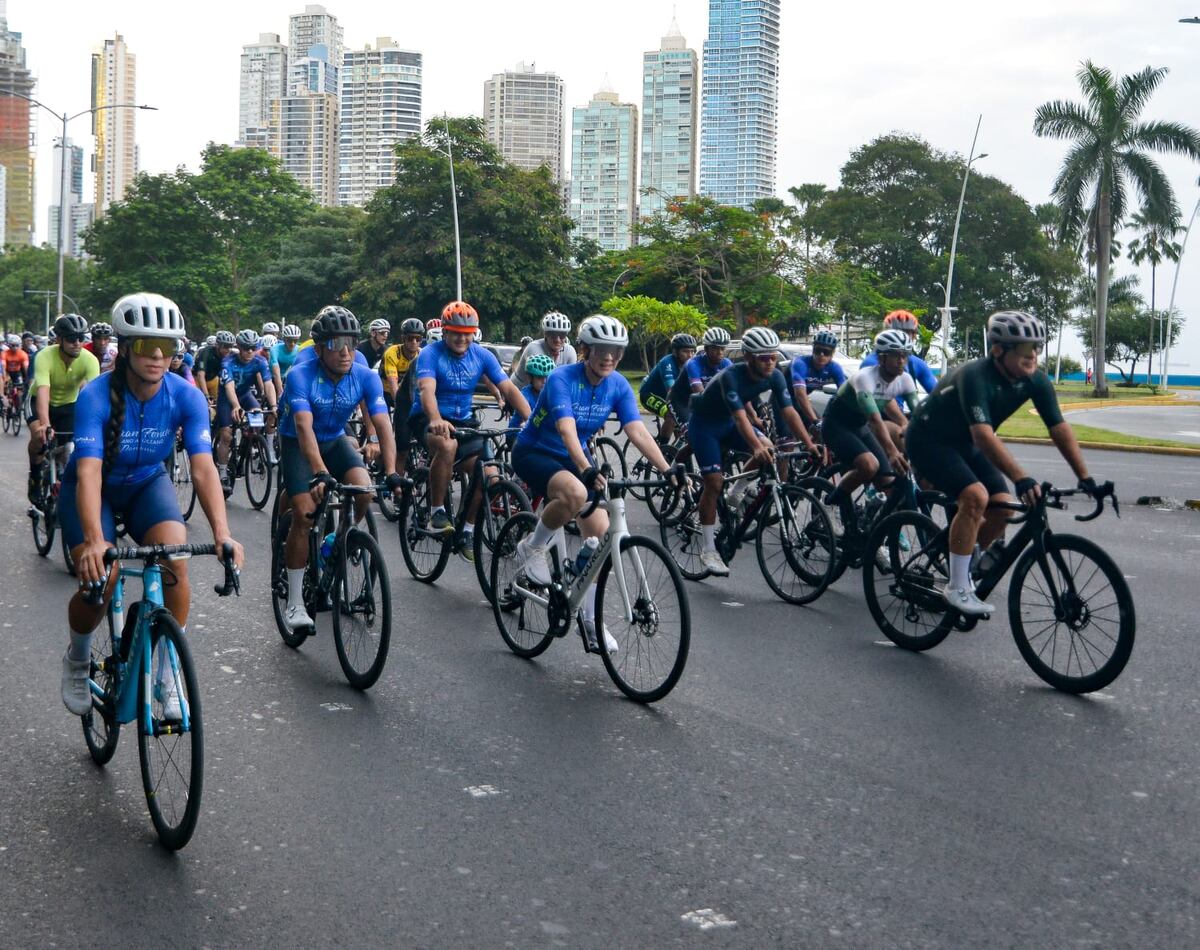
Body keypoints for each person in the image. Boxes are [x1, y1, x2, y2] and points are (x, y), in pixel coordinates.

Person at [58, 293, 243, 718]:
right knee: (102, 578)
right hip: (95, 489)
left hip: (146, 483)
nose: (158, 356)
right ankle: (78, 658)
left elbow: (203, 469)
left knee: (176, 558)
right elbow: (87, 474)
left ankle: (165, 670)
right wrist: (92, 541)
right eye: (145, 345)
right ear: (124, 348)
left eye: (169, 346)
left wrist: (222, 533)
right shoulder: (96, 396)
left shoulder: (187, 396)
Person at [906, 310, 1097, 616]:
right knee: (975, 497)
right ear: (998, 350)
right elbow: (983, 436)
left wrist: (1085, 477)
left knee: (1005, 507)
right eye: (1024, 349)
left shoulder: (1036, 381)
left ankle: (964, 559)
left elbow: (1059, 428)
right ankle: (957, 586)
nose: (1033, 355)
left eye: (1038, 347)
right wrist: (1022, 478)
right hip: (928, 439)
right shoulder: (975, 376)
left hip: (964, 443)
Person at [512, 315, 679, 652]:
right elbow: (566, 430)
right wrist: (586, 468)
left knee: (602, 535)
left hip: (574, 459)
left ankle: (589, 620)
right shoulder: (561, 378)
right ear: (585, 350)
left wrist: (668, 469)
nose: (608, 358)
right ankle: (532, 547)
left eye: (615, 352)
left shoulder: (617, 384)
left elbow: (636, 430)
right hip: (534, 452)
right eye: (601, 350)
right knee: (574, 493)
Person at [278, 307, 403, 631]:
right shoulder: (300, 375)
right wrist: (320, 472)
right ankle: (294, 602)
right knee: (305, 512)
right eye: (336, 344)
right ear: (319, 348)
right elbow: (304, 429)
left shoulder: (364, 375)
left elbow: (382, 424)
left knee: (364, 493)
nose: (346, 351)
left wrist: (391, 471)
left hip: (334, 440)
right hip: (298, 444)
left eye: (350, 342)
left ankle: (335, 539)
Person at [685, 326, 820, 576]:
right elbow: (740, 418)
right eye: (763, 358)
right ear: (748, 357)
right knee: (713, 483)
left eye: (773, 357)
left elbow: (789, 412)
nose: (770, 363)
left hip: (728, 423)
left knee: (769, 448)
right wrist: (756, 447)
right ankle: (708, 547)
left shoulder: (776, 375)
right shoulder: (730, 377)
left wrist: (810, 443)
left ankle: (735, 493)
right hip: (705, 426)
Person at [411, 300, 531, 553]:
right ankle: (436, 512)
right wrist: (435, 419)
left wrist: (529, 419)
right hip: (428, 417)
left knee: (489, 475)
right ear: (444, 331)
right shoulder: (430, 354)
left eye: (467, 334)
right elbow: (426, 390)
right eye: (455, 332)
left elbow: (508, 388)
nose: (461, 339)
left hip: (464, 421)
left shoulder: (482, 355)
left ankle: (466, 529)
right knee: (447, 445)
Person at [821, 330, 918, 536]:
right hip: (837, 424)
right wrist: (892, 452)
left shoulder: (905, 379)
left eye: (905, 355)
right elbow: (875, 420)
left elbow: (918, 415)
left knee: (889, 485)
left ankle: (872, 533)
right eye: (896, 355)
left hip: (859, 426)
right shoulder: (865, 378)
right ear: (882, 358)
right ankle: (829, 504)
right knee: (869, 465)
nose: (902, 361)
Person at [29, 314, 100, 504]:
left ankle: (62, 482)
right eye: (71, 338)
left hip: (68, 405)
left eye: (81, 338)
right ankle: (35, 476)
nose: (77, 343)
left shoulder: (90, 360)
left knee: (68, 448)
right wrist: (45, 424)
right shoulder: (45, 356)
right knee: (39, 437)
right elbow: (44, 391)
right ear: (59, 339)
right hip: (39, 400)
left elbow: (94, 398)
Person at [214, 329, 277, 491]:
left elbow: (268, 384)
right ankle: (222, 472)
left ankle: (249, 444)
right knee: (226, 435)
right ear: (239, 347)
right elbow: (229, 386)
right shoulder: (228, 362)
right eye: (246, 348)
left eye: (253, 348)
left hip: (245, 395)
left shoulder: (259, 361)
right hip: (227, 398)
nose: (250, 351)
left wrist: (274, 406)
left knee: (257, 416)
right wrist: (235, 406)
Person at [860, 310, 938, 394]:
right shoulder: (871, 363)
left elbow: (937, 393)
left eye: (908, 333)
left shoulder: (916, 363)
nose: (902, 338)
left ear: (914, 336)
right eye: (897, 333)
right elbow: (879, 398)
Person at [381, 318, 424, 470]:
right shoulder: (392, 353)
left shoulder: (422, 355)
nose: (413, 342)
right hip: (386, 393)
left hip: (410, 395)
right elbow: (393, 384)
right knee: (388, 428)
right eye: (409, 338)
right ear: (403, 338)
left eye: (418, 339)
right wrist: (402, 409)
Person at [639, 333, 696, 443]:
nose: (690, 355)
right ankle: (661, 449)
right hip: (649, 394)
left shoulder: (691, 365)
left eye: (692, 351)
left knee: (682, 432)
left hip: (668, 397)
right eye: (685, 351)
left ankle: (676, 455)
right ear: (675, 352)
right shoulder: (667, 363)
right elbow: (672, 390)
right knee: (671, 416)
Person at [669, 327, 731, 425]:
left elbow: (737, 388)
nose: (720, 352)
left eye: (722, 348)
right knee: (692, 432)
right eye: (715, 348)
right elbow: (701, 394)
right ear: (706, 349)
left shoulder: (726, 363)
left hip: (698, 400)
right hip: (680, 400)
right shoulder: (693, 364)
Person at [790, 329, 846, 426]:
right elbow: (800, 394)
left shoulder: (834, 368)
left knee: (821, 431)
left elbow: (845, 394)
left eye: (826, 352)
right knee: (788, 437)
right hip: (784, 398)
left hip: (801, 401)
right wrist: (815, 421)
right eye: (818, 350)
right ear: (813, 349)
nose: (821, 355)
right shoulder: (801, 363)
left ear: (832, 354)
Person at [509, 311, 577, 389]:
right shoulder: (533, 348)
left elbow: (571, 380)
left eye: (562, 335)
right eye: (553, 335)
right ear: (546, 335)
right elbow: (540, 379)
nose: (558, 340)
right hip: (519, 389)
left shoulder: (570, 351)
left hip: (545, 391)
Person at [194, 330, 234, 399]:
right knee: (200, 399)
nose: (229, 349)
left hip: (213, 379)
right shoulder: (206, 352)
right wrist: (206, 395)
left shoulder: (231, 353)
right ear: (217, 345)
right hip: (197, 379)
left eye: (231, 346)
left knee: (217, 401)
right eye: (226, 346)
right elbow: (200, 375)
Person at [270, 323, 303, 398]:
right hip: (271, 376)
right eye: (289, 340)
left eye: (295, 340)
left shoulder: (299, 349)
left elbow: (299, 370)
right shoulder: (275, 349)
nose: (292, 343)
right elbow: (276, 371)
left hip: (285, 377)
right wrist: (280, 391)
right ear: (284, 339)